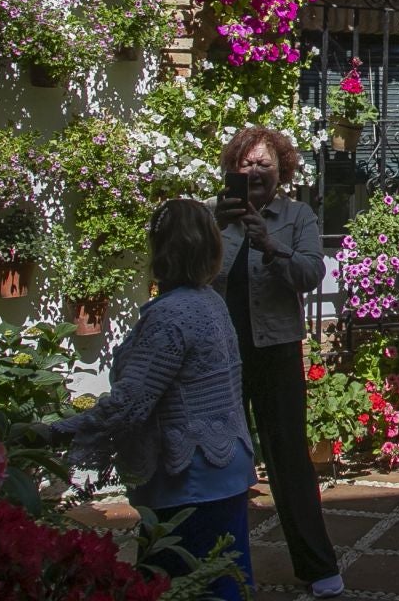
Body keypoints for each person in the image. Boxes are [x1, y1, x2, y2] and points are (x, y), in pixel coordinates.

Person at [47, 200, 255, 600]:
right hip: (225, 467)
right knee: (225, 580)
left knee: (179, 586)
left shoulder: (171, 315)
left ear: (161, 250)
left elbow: (129, 405)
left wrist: (52, 433)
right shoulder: (211, 302)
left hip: (190, 476)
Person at [213, 126, 342, 599]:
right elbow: (192, 275)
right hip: (221, 355)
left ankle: (317, 564)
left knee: (289, 459)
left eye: (264, 165)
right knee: (219, 458)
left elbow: (311, 273)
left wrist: (270, 244)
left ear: (281, 171)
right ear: (232, 169)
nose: (253, 172)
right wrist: (220, 230)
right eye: (245, 164)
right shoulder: (214, 217)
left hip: (277, 351)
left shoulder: (296, 215)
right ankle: (215, 566)